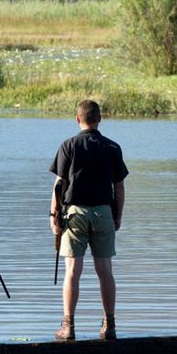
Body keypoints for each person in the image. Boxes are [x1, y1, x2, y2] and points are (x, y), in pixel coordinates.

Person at [49, 99, 128, 341]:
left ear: (77, 119)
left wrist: (54, 216)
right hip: (103, 211)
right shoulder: (112, 147)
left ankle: (68, 326)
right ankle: (109, 325)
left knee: (73, 271)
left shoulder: (68, 145)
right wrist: (117, 215)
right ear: (99, 119)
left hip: (75, 213)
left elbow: (59, 185)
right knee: (105, 271)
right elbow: (119, 187)